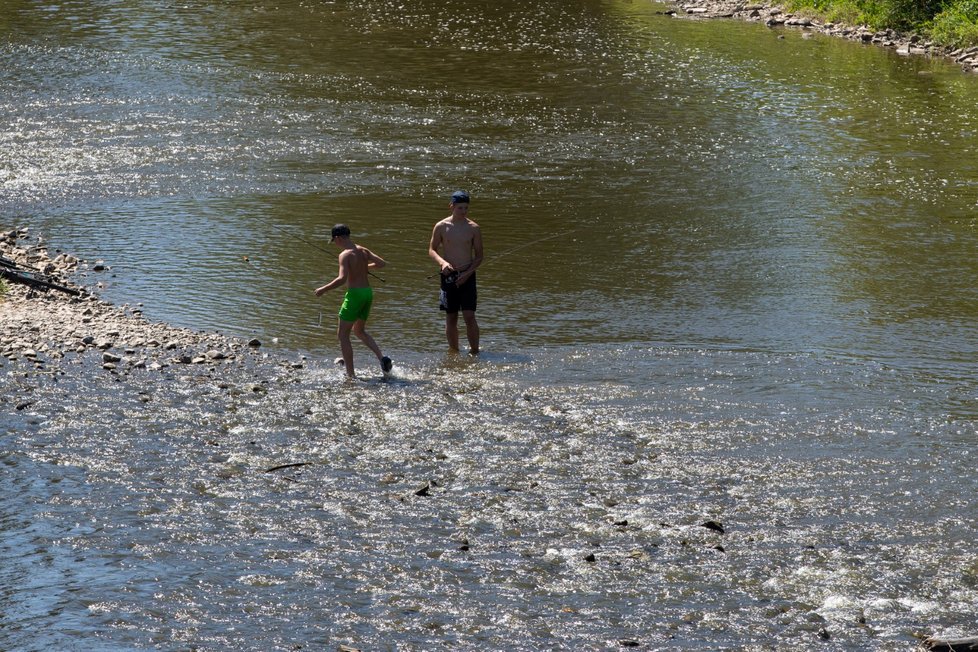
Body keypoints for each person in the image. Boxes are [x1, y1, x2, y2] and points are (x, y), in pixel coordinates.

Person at [314, 224, 393, 379]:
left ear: (338, 238)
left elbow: (342, 279)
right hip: (367, 293)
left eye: (334, 240)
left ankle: (350, 375)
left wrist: (323, 289)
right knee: (359, 331)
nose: (335, 244)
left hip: (355, 295)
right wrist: (364, 267)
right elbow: (382, 264)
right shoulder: (363, 250)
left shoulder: (344, 255)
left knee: (343, 335)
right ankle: (381, 358)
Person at [428, 190, 483, 355]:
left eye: (466, 208)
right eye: (460, 208)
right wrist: (442, 263)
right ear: (451, 206)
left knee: (469, 316)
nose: (464, 211)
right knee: (451, 317)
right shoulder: (441, 226)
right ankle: (454, 353)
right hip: (448, 276)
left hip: (468, 275)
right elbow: (432, 249)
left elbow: (479, 256)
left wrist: (467, 274)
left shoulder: (473, 228)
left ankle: (475, 352)